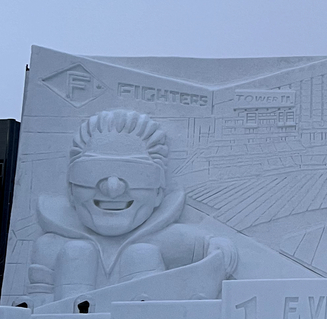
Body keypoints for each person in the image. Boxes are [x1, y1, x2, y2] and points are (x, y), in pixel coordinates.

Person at [25, 109, 236, 305]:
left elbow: (217, 250)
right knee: (76, 253)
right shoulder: (50, 246)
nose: (112, 189)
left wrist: (219, 251)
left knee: (142, 255)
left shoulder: (170, 239)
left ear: (159, 192)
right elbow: (36, 300)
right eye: (92, 173)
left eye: (135, 174)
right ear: (71, 189)